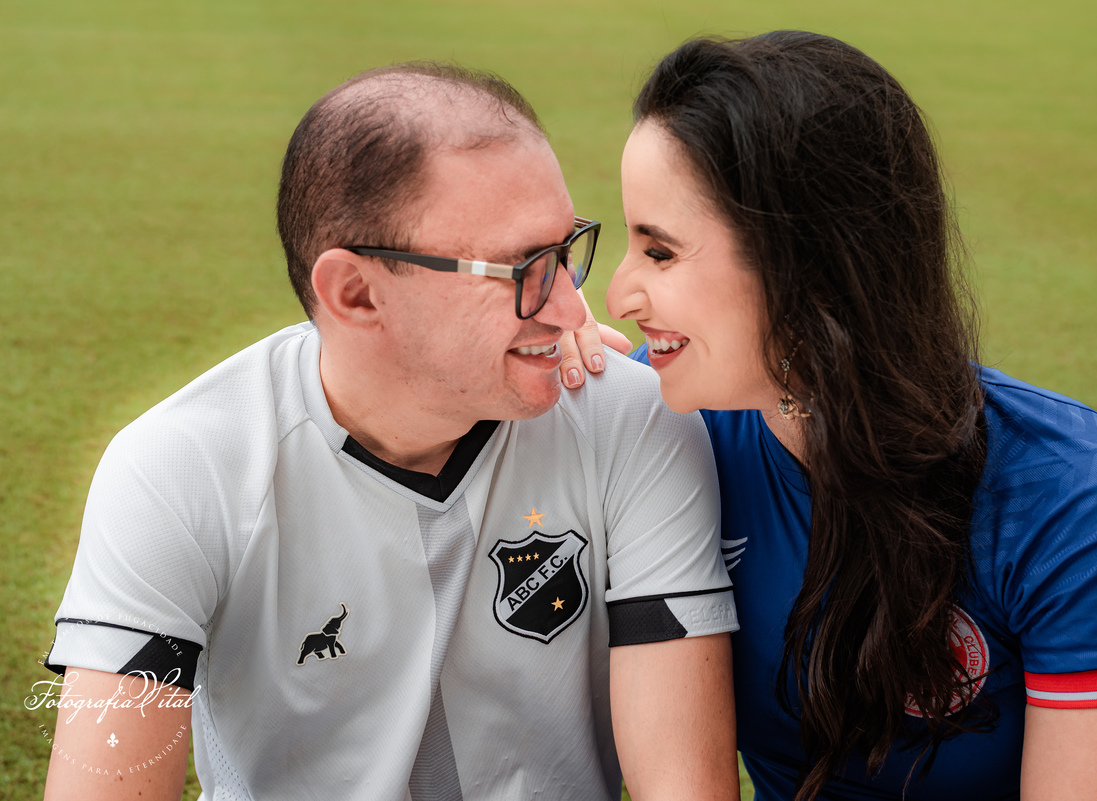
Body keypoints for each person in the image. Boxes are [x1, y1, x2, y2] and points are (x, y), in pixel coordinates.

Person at [41, 62, 740, 801]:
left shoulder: (632, 417)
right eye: (523, 269)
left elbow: (684, 788)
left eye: (565, 253)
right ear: (356, 294)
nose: (574, 308)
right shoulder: (177, 468)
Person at [570, 30, 1097, 800]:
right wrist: (557, 391)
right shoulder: (666, 433)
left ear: (811, 262)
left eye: (659, 252)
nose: (621, 296)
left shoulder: (1070, 491)